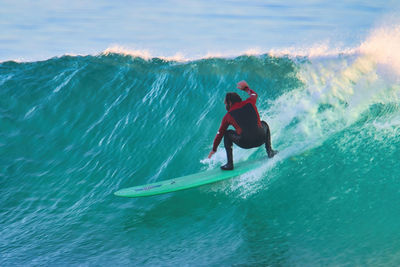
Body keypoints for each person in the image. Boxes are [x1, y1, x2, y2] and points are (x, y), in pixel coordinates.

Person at [208, 80, 277, 170]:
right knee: (264, 124)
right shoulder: (250, 102)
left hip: (246, 143)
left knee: (227, 134)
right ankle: (269, 151)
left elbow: (219, 133)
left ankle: (230, 164)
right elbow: (254, 95)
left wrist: (214, 149)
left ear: (230, 102)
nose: (225, 105)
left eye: (225, 103)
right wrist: (246, 88)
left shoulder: (228, 116)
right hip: (261, 138)